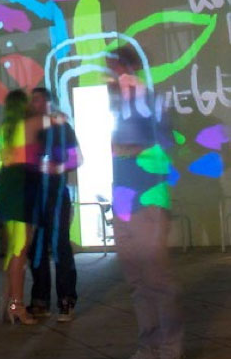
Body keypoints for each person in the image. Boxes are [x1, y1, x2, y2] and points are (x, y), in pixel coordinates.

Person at [107, 44, 183, 359]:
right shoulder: (115, 106)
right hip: (123, 201)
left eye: (113, 67)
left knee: (156, 279)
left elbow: (167, 143)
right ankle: (148, 346)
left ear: (128, 67)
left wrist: (133, 149)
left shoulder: (152, 101)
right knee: (137, 281)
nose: (109, 74)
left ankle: (170, 347)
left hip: (149, 200)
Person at [28, 87, 82, 322]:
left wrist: (57, 167)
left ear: (49, 102)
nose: (35, 104)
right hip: (35, 197)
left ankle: (66, 300)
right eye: (33, 101)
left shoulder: (62, 128)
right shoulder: (32, 129)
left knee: (60, 246)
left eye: (39, 100)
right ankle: (40, 301)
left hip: (57, 195)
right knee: (37, 249)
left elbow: (77, 158)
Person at [0, 88, 44, 325]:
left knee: (14, 249)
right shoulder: (28, 126)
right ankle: (17, 306)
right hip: (22, 190)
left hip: (7, 189)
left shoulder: (3, 130)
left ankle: (7, 303)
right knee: (20, 252)